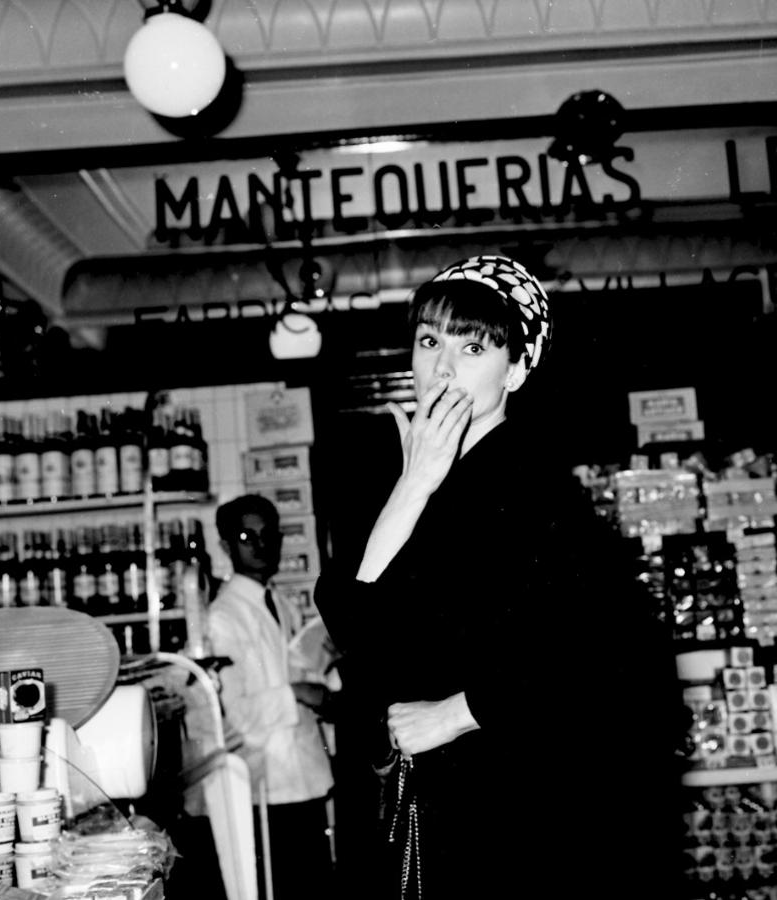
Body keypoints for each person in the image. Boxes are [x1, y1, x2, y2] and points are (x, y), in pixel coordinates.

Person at [315, 255, 684, 899]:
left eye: (473, 346)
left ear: (515, 369)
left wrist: (460, 712)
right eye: (429, 341)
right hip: (435, 802)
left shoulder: (531, 486)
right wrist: (415, 483)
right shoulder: (404, 470)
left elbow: (608, 655)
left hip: (519, 803)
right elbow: (351, 618)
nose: (444, 366)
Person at [208, 494, 337, 900]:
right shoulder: (221, 618)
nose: (262, 546)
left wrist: (324, 675)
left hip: (305, 781)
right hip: (264, 791)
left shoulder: (281, 604)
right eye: (248, 537)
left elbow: (298, 674)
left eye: (269, 535)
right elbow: (237, 712)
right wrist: (297, 690)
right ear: (227, 546)